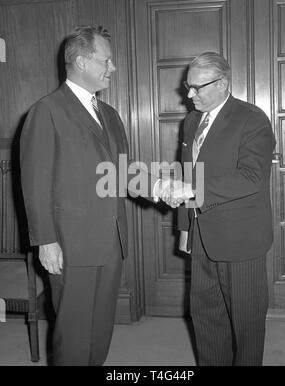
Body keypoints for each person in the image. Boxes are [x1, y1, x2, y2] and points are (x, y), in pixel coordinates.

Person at [20, 25, 190, 366]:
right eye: (106, 60)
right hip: (69, 244)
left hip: (111, 240)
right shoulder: (46, 111)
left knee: (100, 330)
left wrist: (160, 188)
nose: (112, 68)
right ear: (82, 61)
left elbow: (122, 173)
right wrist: (46, 241)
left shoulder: (109, 115)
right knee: (72, 333)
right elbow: (34, 183)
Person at [177, 52, 276, 366]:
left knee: (246, 327)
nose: (190, 95)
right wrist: (185, 227)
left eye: (197, 87)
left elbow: (251, 177)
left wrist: (193, 190)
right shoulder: (191, 121)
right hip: (201, 237)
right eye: (187, 87)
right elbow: (186, 173)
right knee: (206, 319)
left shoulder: (252, 118)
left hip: (241, 241)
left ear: (222, 83)